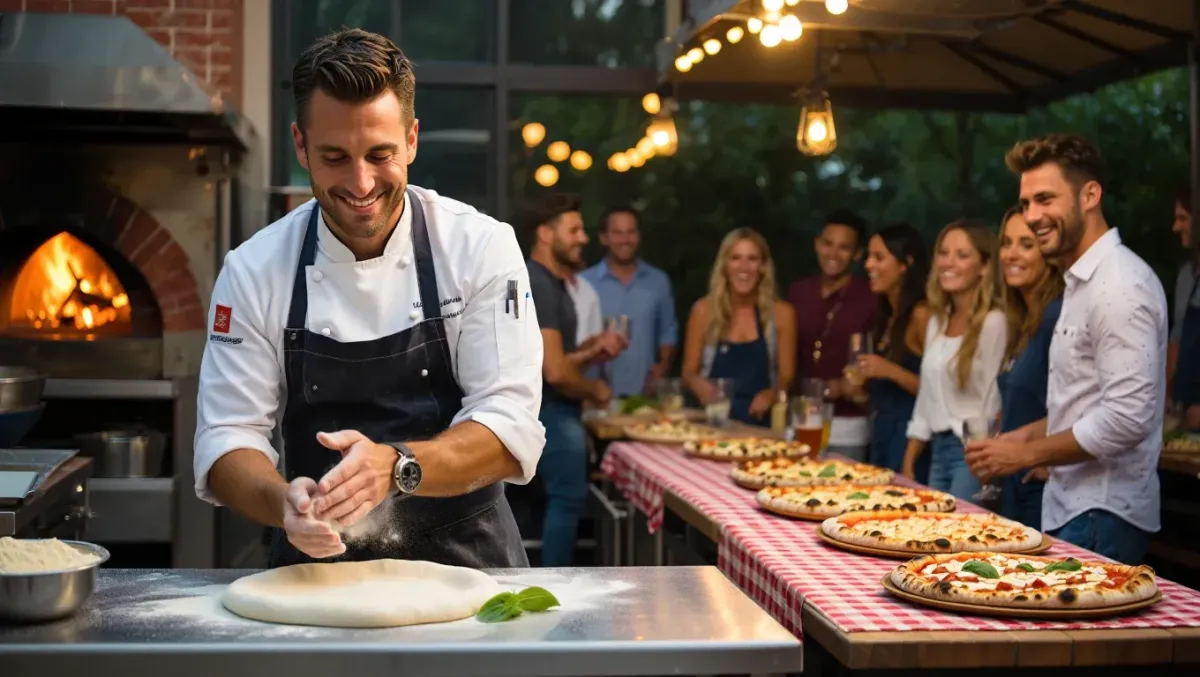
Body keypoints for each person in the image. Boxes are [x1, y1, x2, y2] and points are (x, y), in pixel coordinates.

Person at [193, 28, 542, 569]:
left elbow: (509, 423)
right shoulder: (254, 270)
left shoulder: (478, 248)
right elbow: (226, 437)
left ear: (412, 140)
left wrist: (397, 466)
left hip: (469, 564)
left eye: (380, 154)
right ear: (300, 146)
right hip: (317, 567)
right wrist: (280, 502)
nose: (360, 184)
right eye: (334, 156)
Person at [967, 134, 1167, 564]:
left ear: (1090, 194)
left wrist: (1025, 453)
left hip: (1102, 512)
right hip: (1074, 508)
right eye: (1025, 204)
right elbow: (1083, 403)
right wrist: (1021, 436)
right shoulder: (1081, 282)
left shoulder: (1119, 285)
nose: (1033, 216)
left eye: (1044, 199)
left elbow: (1127, 419)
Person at [524, 193, 618, 567]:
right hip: (552, 413)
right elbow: (555, 372)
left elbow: (544, 358)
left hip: (549, 408)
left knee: (562, 500)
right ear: (546, 234)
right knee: (567, 500)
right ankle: (558, 592)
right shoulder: (542, 283)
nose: (584, 238)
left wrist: (589, 352)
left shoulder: (547, 281)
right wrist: (596, 390)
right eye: (574, 229)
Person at [902, 220, 1006, 500]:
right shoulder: (937, 320)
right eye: (943, 253)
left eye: (962, 255)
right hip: (937, 450)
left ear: (984, 267)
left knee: (960, 536)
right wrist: (909, 461)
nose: (948, 262)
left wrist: (987, 460)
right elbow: (926, 397)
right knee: (934, 534)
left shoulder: (993, 322)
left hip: (972, 453)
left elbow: (995, 399)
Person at [786, 210, 877, 461]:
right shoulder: (798, 292)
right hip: (799, 420)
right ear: (817, 244)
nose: (833, 254)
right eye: (828, 244)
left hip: (848, 425)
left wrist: (850, 386)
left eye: (844, 247)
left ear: (857, 254)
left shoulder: (870, 297)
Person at [993, 206, 1064, 530]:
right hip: (1014, 480)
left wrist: (1047, 458)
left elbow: (1080, 401)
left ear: (1047, 252)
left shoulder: (1058, 315)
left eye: (1026, 244)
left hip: (1043, 484)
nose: (1011, 254)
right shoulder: (1023, 320)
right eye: (1006, 243)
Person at [681, 228, 796, 425]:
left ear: (763, 267)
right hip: (711, 425)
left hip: (761, 430)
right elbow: (688, 372)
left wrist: (772, 394)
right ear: (724, 265)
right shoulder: (703, 311)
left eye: (752, 259)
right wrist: (699, 385)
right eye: (735, 258)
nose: (744, 267)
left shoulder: (782, 314)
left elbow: (787, 377)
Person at [856, 224, 931, 480]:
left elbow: (939, 392)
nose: (868, 265)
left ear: (905, 264)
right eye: (868, 256)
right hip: (880, 436)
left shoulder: (922, 314)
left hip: (911, 442)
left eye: (878, 257)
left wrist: (889, 371)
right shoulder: (885, 316)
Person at [581, 206, 678, 397]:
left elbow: (668, 333)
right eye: (617, 233)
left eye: (631, 232)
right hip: (595, 397)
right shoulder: (583, 283)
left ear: (639, 236)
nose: (625, 240)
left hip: (645, 398)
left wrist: (662, 368)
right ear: (604, 238)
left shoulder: (658, 281)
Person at [1168, 185, 1200, 431]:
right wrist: (1166, 398)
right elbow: (1176, 341)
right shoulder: (1186, 277)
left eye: (1183, 219)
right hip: (1184, 413)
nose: (1176, 227)